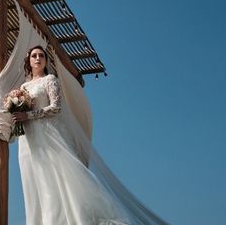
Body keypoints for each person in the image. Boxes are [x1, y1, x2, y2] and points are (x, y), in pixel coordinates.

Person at [12, 45, 168, 225]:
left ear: (46, 61)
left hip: (49, 135)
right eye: (34, 56)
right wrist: (17, 114)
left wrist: (28, 115)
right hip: (30, 139)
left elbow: (56, 108)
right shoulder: (23, 87)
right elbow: (22, 110)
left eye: (41, 56)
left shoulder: (50, 79)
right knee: (36, 178)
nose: (38, 58)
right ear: (29, 61)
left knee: (60, 175)